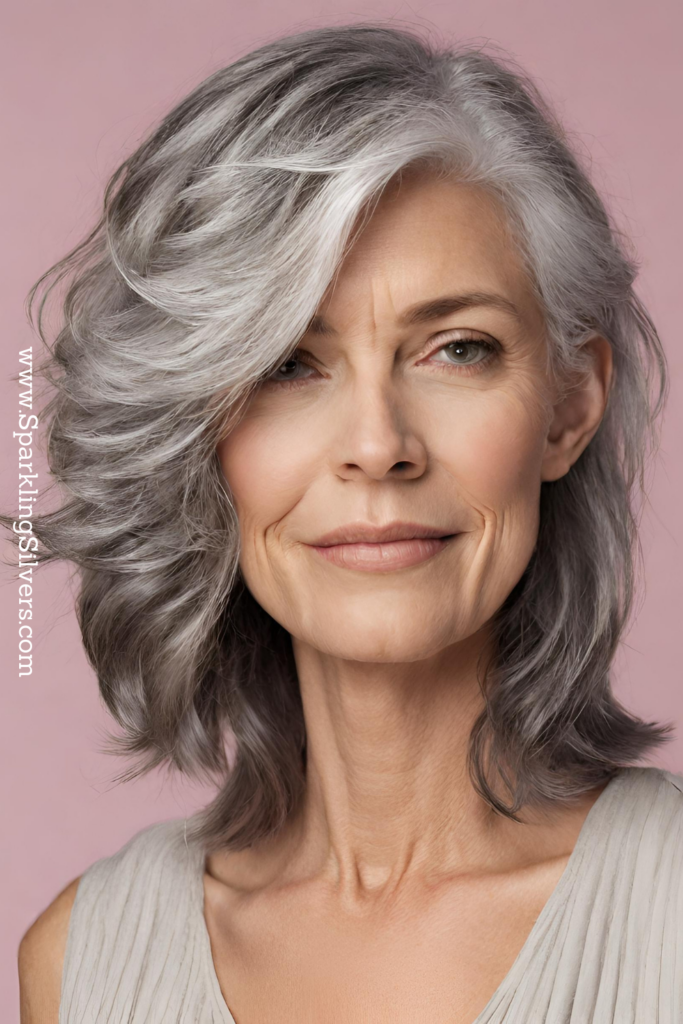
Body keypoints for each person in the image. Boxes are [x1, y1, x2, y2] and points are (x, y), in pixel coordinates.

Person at [16, 22, 682, 1024]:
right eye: (288, 362)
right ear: (194, 430)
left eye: (456, 348)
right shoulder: (81, 967)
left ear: (568, 406)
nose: (376, 445)